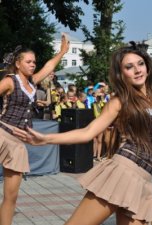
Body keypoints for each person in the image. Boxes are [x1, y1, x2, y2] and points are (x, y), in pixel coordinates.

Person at [15, 30, 152, 225]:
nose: (136, 70)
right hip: (123, 172)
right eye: (129, 67)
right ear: (121, 73)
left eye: (140, 64)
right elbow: (89, 131)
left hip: (143, 179)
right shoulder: (121, 100)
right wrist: (46, 139)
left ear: (147, 66)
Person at [0, 35, 69, 225]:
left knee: (11, 197)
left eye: (34, 62)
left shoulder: (32, 82)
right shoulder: (9, 81)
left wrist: (62, 52)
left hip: (17, 141)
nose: (32, 65)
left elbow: (48, 68)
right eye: (28, 62)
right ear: (18, 63)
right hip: (2, 133)